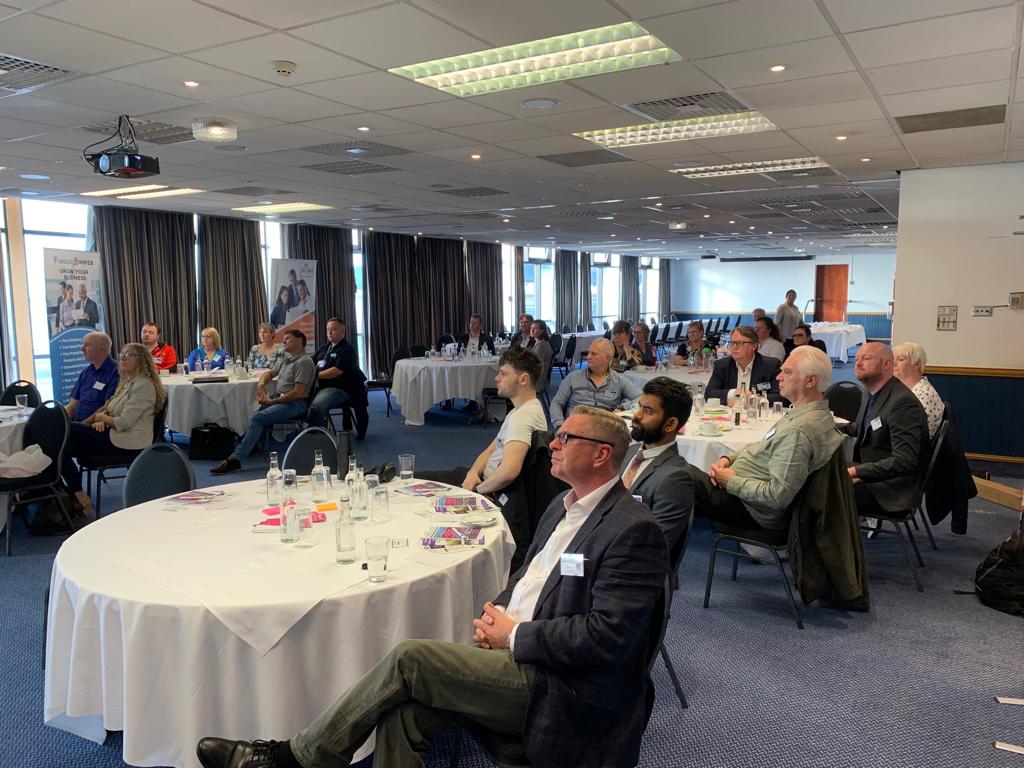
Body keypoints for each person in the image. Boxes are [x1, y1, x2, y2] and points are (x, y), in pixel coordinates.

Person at [195, 407, 668, 768]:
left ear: (601, 454)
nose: (553, 445)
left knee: (410, 658)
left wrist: (514, 635)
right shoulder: (563, 505)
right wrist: (496, 615)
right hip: (519, 654)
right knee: (403, 716)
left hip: (564, 686)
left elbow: (609, 638)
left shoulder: (632, 529)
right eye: (557, 435)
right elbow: (529, 577)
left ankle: (297, 758)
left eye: (566, 438)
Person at [692, 346, 844, 531]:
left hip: (752, 508)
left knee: (678, 473)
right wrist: (729, 458)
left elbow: (777, 497)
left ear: (811, 380)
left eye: (787, 372)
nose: (779, 377)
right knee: (679, 473)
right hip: (745, 492)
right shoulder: (808, 414)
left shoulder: (799, 431)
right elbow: (765, 445)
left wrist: (730, 481)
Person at [416, 348, 547, 494]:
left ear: (523, 379)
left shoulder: (522, 417)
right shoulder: (520, 410)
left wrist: (476, 492)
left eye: (503, 373)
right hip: (481, 480)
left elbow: (509, 472)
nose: (497, 378)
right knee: (415, 481)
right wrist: (473, 472)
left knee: (414, 482)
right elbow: (491, 450)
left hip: (487, 490)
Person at [60, 343, 165, 515]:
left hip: (127, 442)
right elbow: (109, 409)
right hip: (112, 434)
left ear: (142, 361)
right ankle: (75, 495)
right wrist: (103, 420)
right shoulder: (126, 383)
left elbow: (123, 422)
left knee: (62, 434)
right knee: (59, 445)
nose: (122, 357)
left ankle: (74, 495)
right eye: (122, 354)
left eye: (129, 354)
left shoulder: (143, 386)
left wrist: (102, 419)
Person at [210, 330, 316, 475]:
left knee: (258, 418)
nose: (283, 341)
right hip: (282, 399)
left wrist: (272, 402)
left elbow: (297, 393)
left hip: (295, 404)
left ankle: (235, 459)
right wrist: (261, 385)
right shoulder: (287, 359)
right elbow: (269, 373)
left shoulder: (304, 362)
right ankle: (249, 446)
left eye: (288, 339)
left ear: (299, 341)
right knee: (252, 412)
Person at [842, 343, 929, 518]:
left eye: (866, 358)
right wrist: (831, 425)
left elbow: (904, 461)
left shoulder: (902, 403)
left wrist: (856, 472)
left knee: (821, 489)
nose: (858, 363)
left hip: (890, 489)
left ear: (886, 364)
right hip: (874, 471)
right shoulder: (871, 393)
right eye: (857, 359)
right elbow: (861, 428)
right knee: (820, 472)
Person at [623, 377, 695, 552]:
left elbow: (654, 547)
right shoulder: (630, 452)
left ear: (670, 424)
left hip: (627, 560)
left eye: (648, 411)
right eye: (640, 407)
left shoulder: (675, 478)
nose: (637, 415)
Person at [549, 338, 642, 428]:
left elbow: (642, 397)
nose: (588, 357)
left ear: (607, 358)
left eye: (594, 354)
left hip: (605, 428)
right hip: (576, 427)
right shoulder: (573, 378)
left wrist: (623, 407)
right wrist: (559, 425)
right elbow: (556, 403)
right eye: (589, 353)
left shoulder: (618, 380)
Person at [307, 318, 369, 440]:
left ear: (343, 332)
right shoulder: (323, 349)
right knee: (302, 400)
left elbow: (337, 371)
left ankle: (311, 435)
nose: (330, 332)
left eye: (334, 329)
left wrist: (315, 376)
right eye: (328, 329)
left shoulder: (348, 349)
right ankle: (315, 429)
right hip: (323, 386)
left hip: (344, 388)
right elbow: (310, 363)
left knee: (317, 405)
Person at [705, 326, 783, 406]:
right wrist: (735, 393)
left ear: (754, 346)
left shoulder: (770, 366)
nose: (734, 347)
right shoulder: (722, 365)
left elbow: (780, 396)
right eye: (732, 343)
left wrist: (753, 400)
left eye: (740, 343)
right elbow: (709, 394)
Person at [893, 342, 944, 439]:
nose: (893, 363)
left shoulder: (924, 395)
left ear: (917, 364)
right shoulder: (906, 390)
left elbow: (914, 435)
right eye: (893, 359)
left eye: (900, 359)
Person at [66, 331, 119, 421]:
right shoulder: (85, 373)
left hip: (94, 425)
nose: (82, 348)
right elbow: (72, 405)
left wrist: (83, 425)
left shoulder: (116, 372)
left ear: (101, 349)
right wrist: (63, 421)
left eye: (87, 345)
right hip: (76, 424)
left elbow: (107, 407)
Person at [528, 320, 553, 392]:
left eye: (535, 328)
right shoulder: (540, 343)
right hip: (537, 378)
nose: (532, 330)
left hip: (536, 382)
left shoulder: (541, 345)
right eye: (531, 328)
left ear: (542, 331)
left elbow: (536, 366)